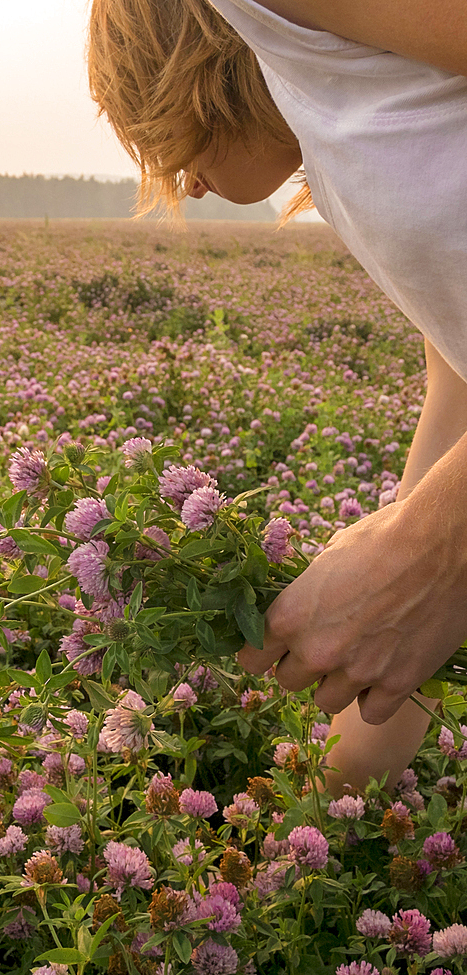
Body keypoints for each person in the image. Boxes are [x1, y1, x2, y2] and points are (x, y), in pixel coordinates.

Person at [87, 0, 467, 795]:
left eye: (159, 136)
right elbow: (458, 379)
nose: (181, 180)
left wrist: (435, 546)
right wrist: (341, 778)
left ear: (192, 72)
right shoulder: (336, 139)